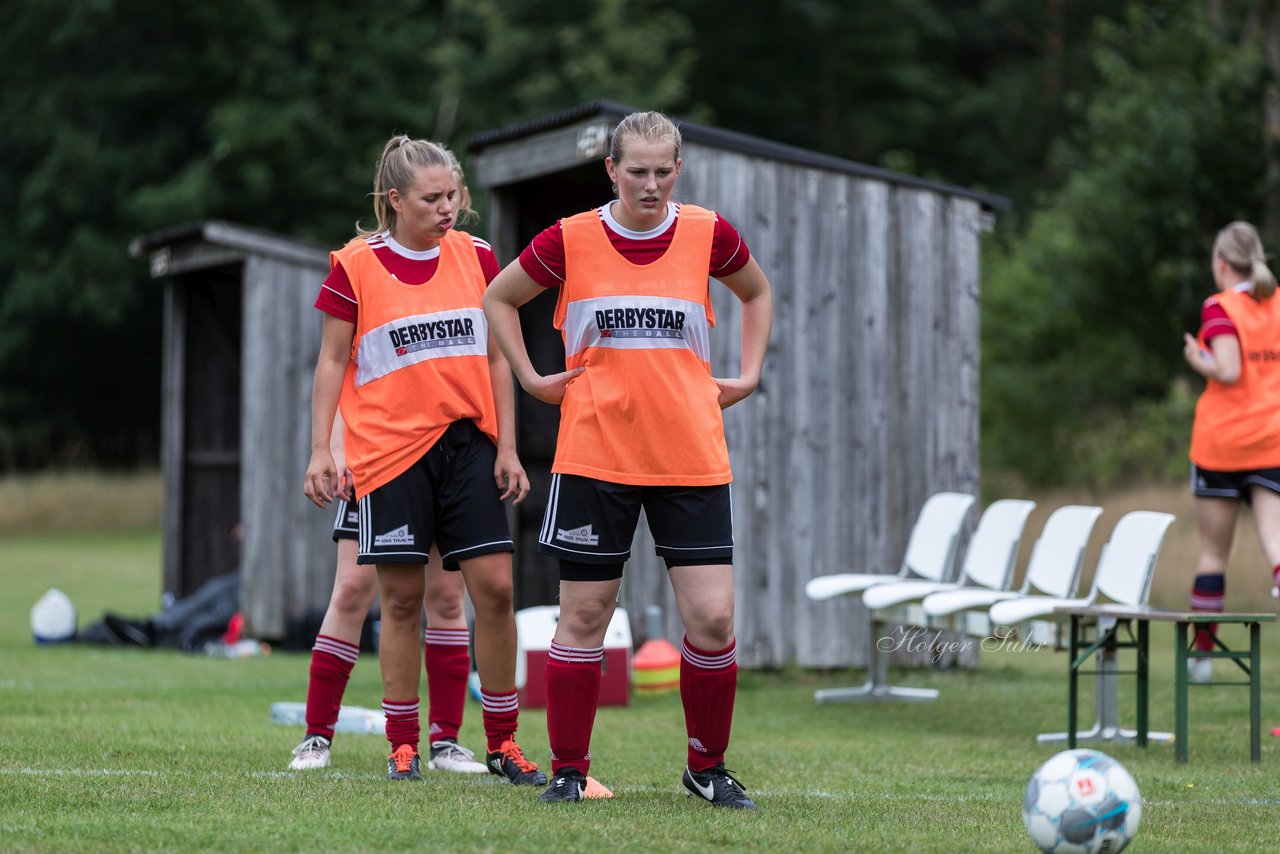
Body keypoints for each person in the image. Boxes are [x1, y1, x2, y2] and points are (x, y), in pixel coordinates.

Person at [483, 110, 772, 808]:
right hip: (594, 458)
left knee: (711, 621)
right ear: (610, 170)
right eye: (635, 170)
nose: (650, 183)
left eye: (662, 170)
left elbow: (756, 291)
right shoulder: (571, 239)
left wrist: (750, 371)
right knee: (583, 617)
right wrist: (529, 377)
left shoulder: (707, 232)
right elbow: (498, 297)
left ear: (679, 168)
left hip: (690, 456)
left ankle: (706, 768)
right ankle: (569, 772)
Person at [303, 134, 544, 786]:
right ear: (394, 201)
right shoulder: (355, 266)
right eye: (433, 198)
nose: (449, 209)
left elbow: (497, 356)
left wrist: (510, 447)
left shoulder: (479, 257)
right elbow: (330, 361)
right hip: (389, 454)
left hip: (468, 445)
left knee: (492, 589)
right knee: (400, 599)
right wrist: (322, 448)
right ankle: (402, 744)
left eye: (454, 195)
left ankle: (501, 742)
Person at [288, 412, 488, 774]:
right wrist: (336, 447)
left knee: (446, 596)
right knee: (351, 590)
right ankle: (316, 737)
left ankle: (446, 743)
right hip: (380, 454)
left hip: (447, 455)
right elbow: (342, 368)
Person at [1182, 221, 1280, 684]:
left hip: (1222, 444)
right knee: (1276, 547)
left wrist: (1195, 359)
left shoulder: (1219, 307)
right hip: (1272, 439)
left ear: (1221, 264)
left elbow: (1226, 369)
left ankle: (1202, 659)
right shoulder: (1277, 304)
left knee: (1213, 555)